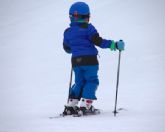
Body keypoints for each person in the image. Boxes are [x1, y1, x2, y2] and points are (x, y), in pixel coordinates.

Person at [62, 2, 125, 116]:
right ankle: (86, 105)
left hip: (76, 61)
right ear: (86, 16)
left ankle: (71, 105)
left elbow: (67, 49)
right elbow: (98, 41)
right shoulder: (88, 28)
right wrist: (114, 45)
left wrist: (76, 47)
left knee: (79, 82)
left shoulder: (68, 32)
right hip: (90, 60)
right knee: (91, 81)